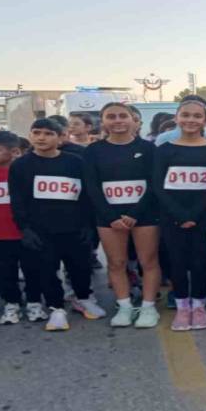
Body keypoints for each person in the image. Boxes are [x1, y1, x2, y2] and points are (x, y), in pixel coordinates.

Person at [8, 119, 105, 331]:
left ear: (60, 137)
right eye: (36, 132)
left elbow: (87, 196)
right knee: (47, 270)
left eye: (48, 133)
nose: (41, 137)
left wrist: (89, 225)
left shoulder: (75, 162)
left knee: (80, 267)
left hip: (74, 227)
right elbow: (17, 200)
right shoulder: (20, 165)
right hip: (40, 230)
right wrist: (24, 228)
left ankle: (83, 298)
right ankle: (56, 308)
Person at [83, 102, 162, 328]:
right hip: (109, 216)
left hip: (144, 214)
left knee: (148, 261)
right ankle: (124, 306)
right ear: (103, 121)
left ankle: (148, 307)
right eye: (111, 116)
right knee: (116, 262)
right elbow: (92, 187)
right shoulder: (93, 151)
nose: (117, 120)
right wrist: (111, 217)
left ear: (132, 119)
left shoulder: (148, 149)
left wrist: (135, 213)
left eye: (122, 116)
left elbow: (154, 184)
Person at [154, 99, 206, 331]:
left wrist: (195, 214)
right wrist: (179, 214)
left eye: (197, 116)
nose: (190, 120)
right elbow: (158, 185)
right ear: (177, 118)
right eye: (185, 115)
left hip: (204, 216)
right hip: (172, 216)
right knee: (177, 262)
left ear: (205, 120)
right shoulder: (164, 150)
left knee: (201, 262)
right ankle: (182, 307)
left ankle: (199, 305)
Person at [0, 130, 44, 325]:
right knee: (4, 271)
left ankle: (34, 301)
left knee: (33, 269)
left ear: (14, 151)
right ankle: (11, 303)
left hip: (27, 232)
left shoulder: (27, 170)